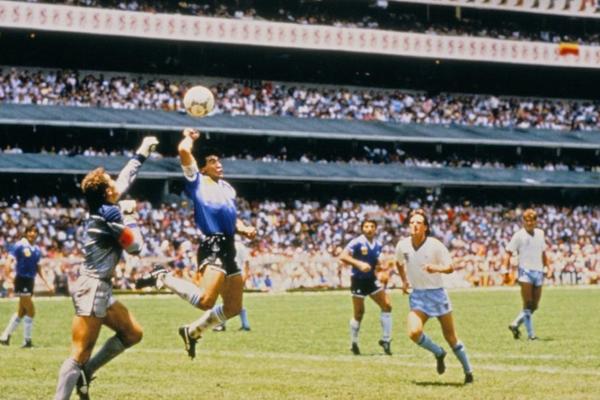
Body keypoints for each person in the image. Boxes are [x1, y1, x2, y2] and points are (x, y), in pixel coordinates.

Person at [136, 128, 256, 359]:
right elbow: (183, 150)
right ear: (203, 168)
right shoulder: (196, 181)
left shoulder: (227, 188)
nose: (218, 164)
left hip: (229, 246)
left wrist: (243, 228)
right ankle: (163, 277)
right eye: (212, 161)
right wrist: (189, 138)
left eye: (218, 160)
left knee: (233, 308)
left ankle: (192, 332)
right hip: (213, 244)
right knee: (205, 301)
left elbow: (232, 217)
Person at [54, 136, 158, 400]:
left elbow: (124, 179)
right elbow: (136, 247)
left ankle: (86, 373)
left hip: (99, 286)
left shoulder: (105, 206)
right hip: (93, 287)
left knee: (132, 333)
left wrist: (142, 152)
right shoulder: (110, 214)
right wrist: (131, 217)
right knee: (79, 353)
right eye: (111, 183)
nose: (116, 184)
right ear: (107, 193)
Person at [395, 209, 474, 384]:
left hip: (437, 294)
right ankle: (438, 352)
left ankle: (468, 372)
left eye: (418, 223)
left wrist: (435, 268)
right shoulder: (403, 245)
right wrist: (404, 281)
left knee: (451, 337)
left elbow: (450, 267)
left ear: (426, 227)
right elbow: (398, 262)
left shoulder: (435, 245)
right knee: (414, 332)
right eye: (412, 222)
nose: (414, 225)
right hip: (418, 295)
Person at [339, 219, 392, 356]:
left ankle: (386, 340)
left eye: (372, 226)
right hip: (358, 280)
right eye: (366, 226)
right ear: (362, 228)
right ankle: (354, 342)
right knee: (359, 313)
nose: (369, 229)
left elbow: (377, 264)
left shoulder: (378, 245)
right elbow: (343, 256)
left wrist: (381, 268)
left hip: (371, 280)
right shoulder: (356, 242)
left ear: (375, 229)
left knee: (387, 306)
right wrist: (359, 264)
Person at [0, 225, 53, 348]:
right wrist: (9, 277)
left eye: (35, 232)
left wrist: (47, 283)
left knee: (22, 311)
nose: (33, 234)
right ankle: (27, 341)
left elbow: (39, 268)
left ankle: (5, 336)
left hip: (30, 281)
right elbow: (8, 261)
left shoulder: (37, 249)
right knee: (31, 311)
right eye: (30, 231)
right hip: (21, 280)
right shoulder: (19, 245)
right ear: (26, 233)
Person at [504, 208, 549, 341]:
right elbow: (508, 252)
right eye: (526, 220)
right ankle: (531, 335)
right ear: (523, 221)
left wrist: (547, 266)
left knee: (535, 306)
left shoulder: (540, 233)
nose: (529, 223)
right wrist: (505, 271)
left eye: (531, 220)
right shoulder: (518, 235)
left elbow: (543, 252)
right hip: (525, 272)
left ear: (536, 221)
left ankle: (515, 324)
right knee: (528, 303)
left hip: (538, 271)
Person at [213, 235, 252, 332]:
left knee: (228, 301)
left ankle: (221, 325)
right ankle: (245, 324)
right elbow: (247, 263)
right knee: (233, 301)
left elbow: (218, 263)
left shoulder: (223, 246)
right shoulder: (241, 246)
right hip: (238, 275)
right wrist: (245, 276)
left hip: (228, 275)